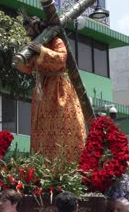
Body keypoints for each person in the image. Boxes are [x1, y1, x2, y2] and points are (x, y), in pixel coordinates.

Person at [16, 16, 86, 163]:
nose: (28, 33)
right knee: (42, 130)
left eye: (29, 29)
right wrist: (19, 60)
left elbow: (61, 59)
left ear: (36, 28)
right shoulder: (33, 47)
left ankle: (68, 163)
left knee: (63, 125)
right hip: (42, 90)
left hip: (59, 88)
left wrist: (43, 50)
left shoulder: (56, 41)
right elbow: (28, 68)